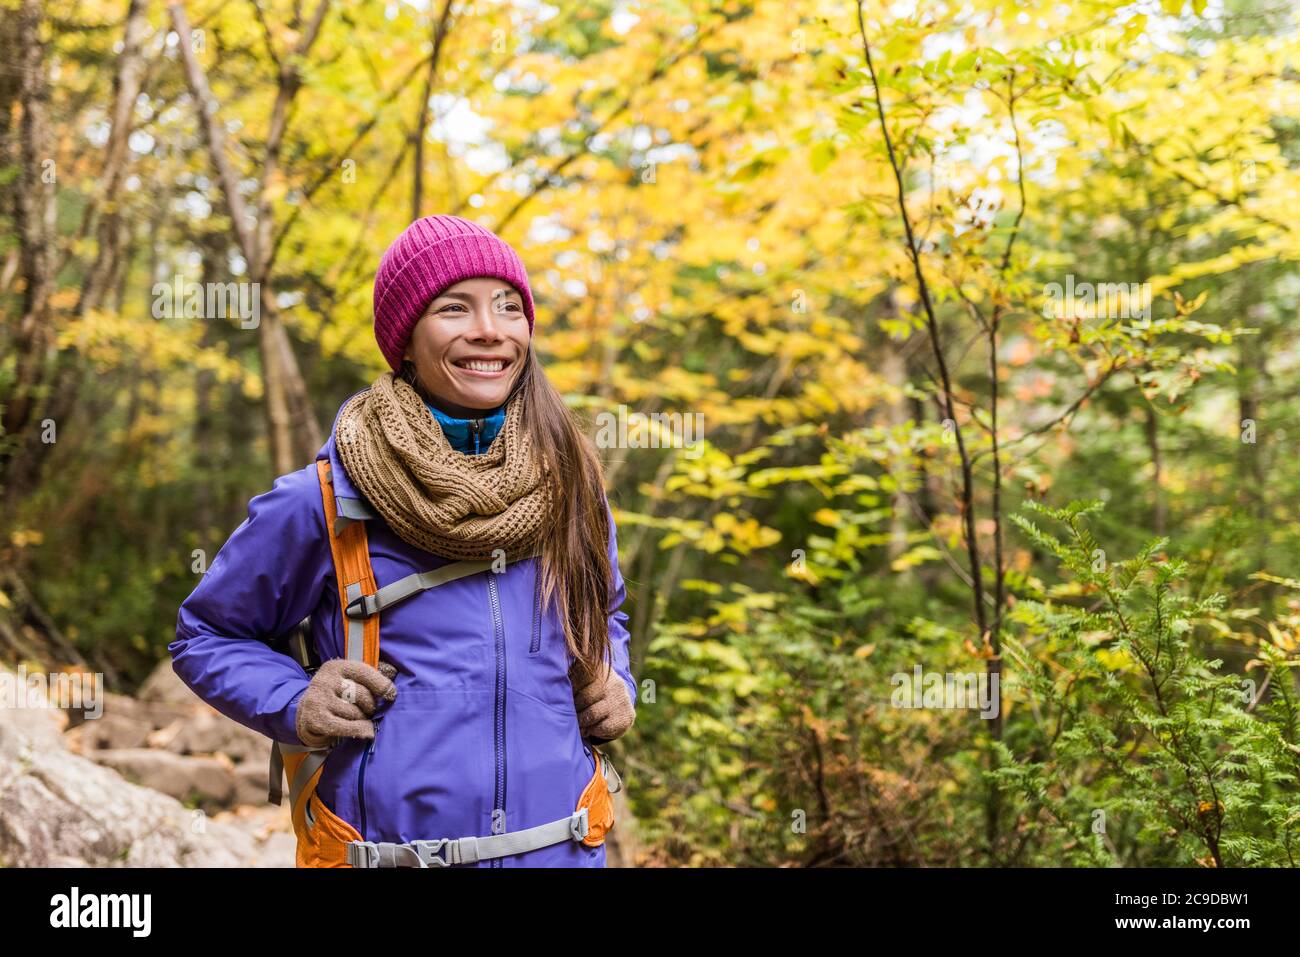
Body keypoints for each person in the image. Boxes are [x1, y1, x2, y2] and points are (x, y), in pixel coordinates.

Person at [170, 214, 636, 867]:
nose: (490, 329)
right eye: (455, 307)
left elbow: (605, 613)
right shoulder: (325, 498)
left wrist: (619, 679)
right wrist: (294, 697)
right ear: (406, 341)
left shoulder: (572, 488)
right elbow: (207, 635)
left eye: (509, 306)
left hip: (563, 851)